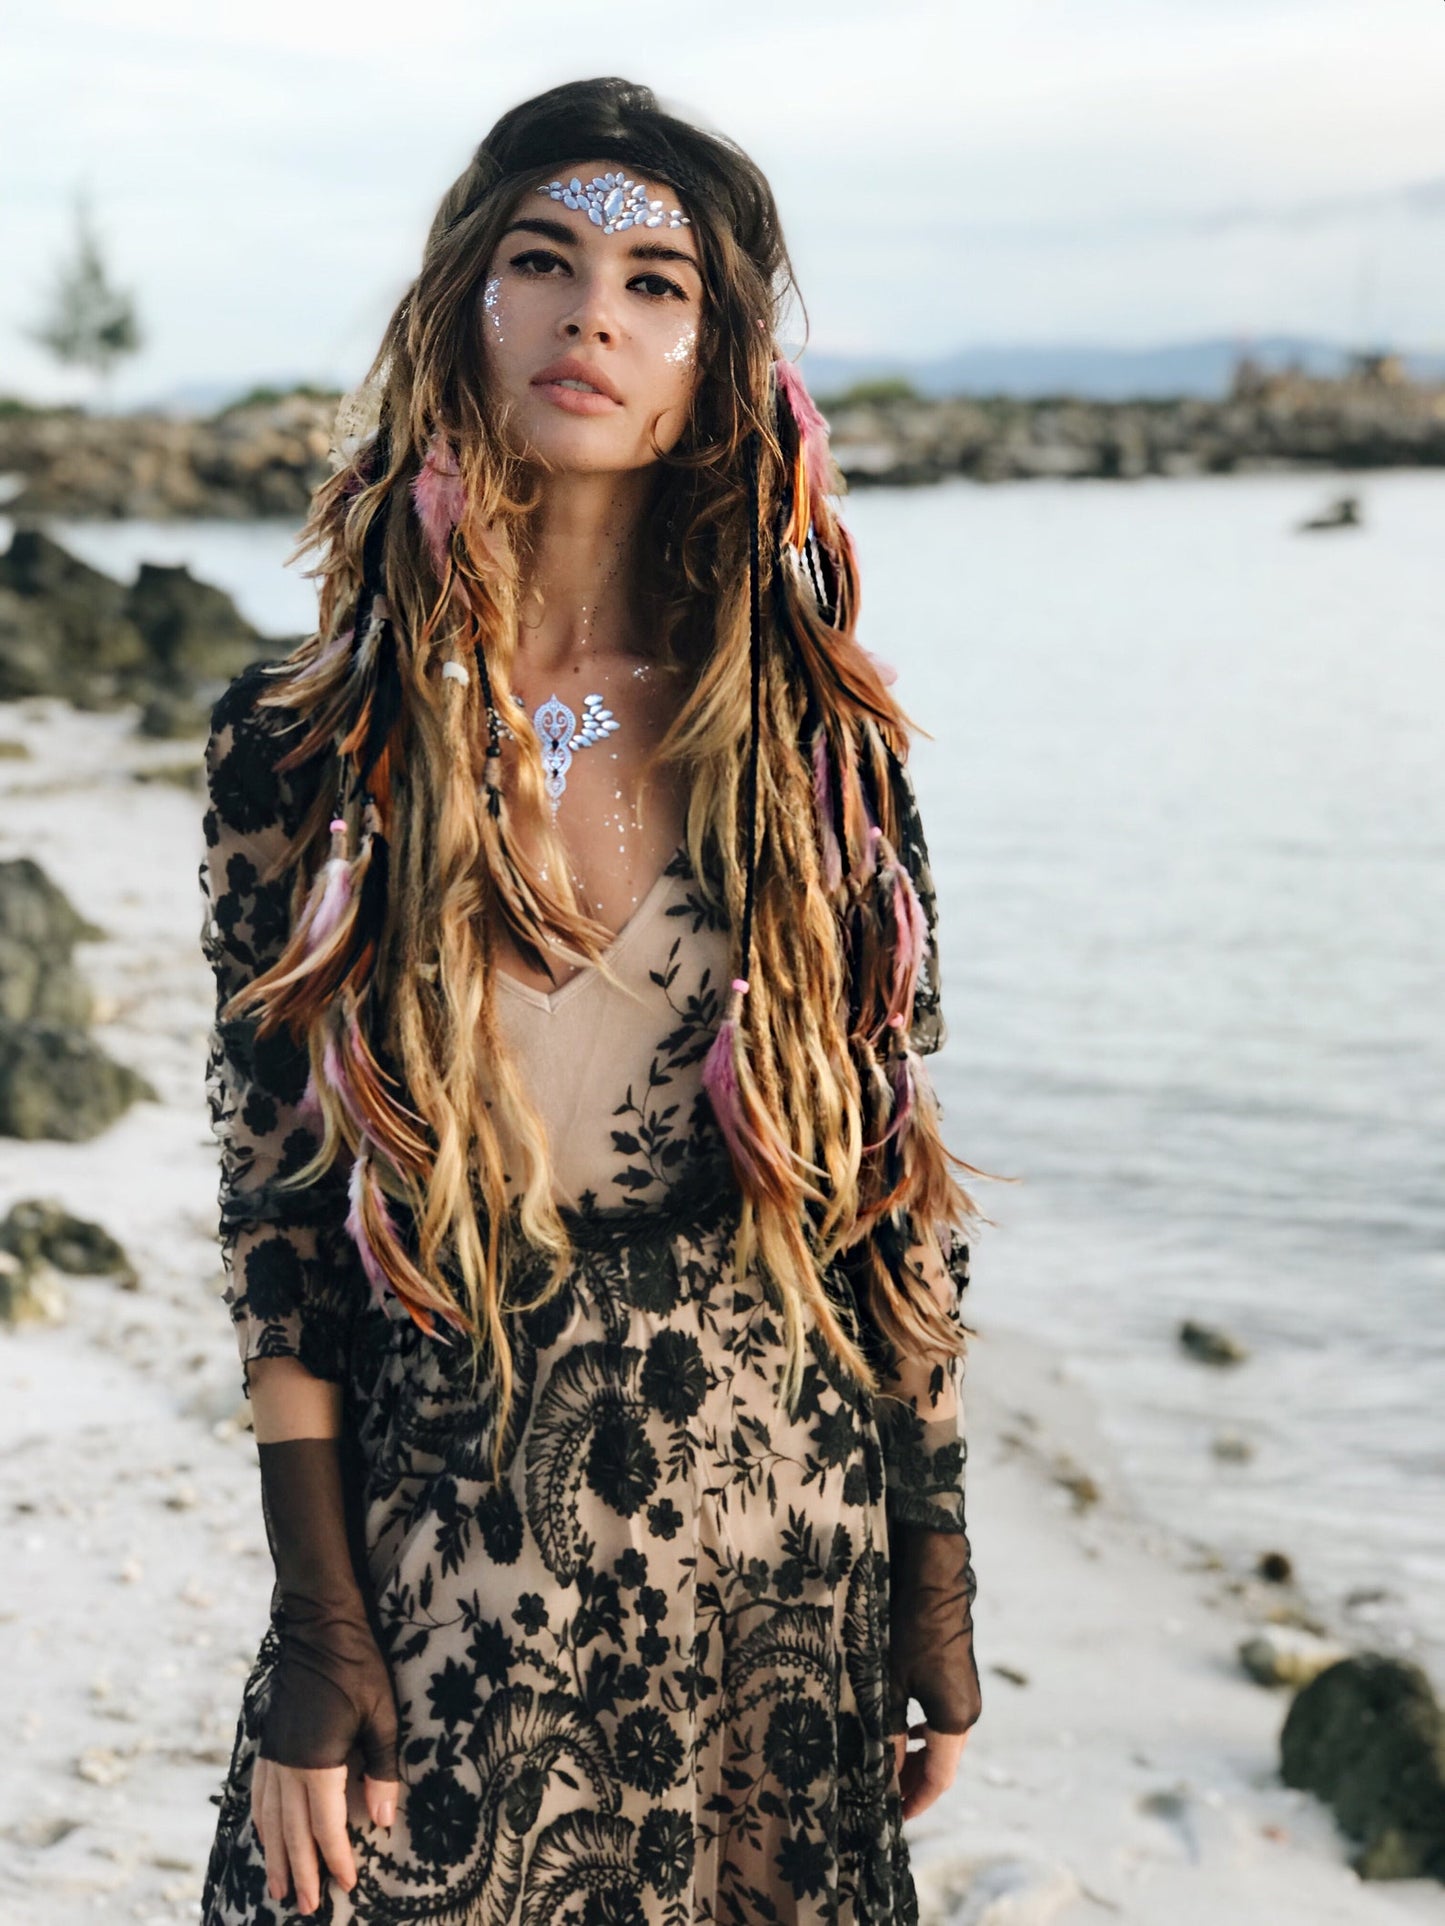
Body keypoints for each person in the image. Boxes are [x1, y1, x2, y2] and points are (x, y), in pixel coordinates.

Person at [198, 75, 985, 1926]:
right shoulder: (308, 744)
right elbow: (279, 1211)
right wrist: (320, 1626)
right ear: (465, 301)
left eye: (659, 285)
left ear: (717, 368)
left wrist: (935, 1577)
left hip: (782, 1549)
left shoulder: (812, 749)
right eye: (546, 261)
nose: (593, 317)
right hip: (448, 1532)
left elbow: (893, 1193)